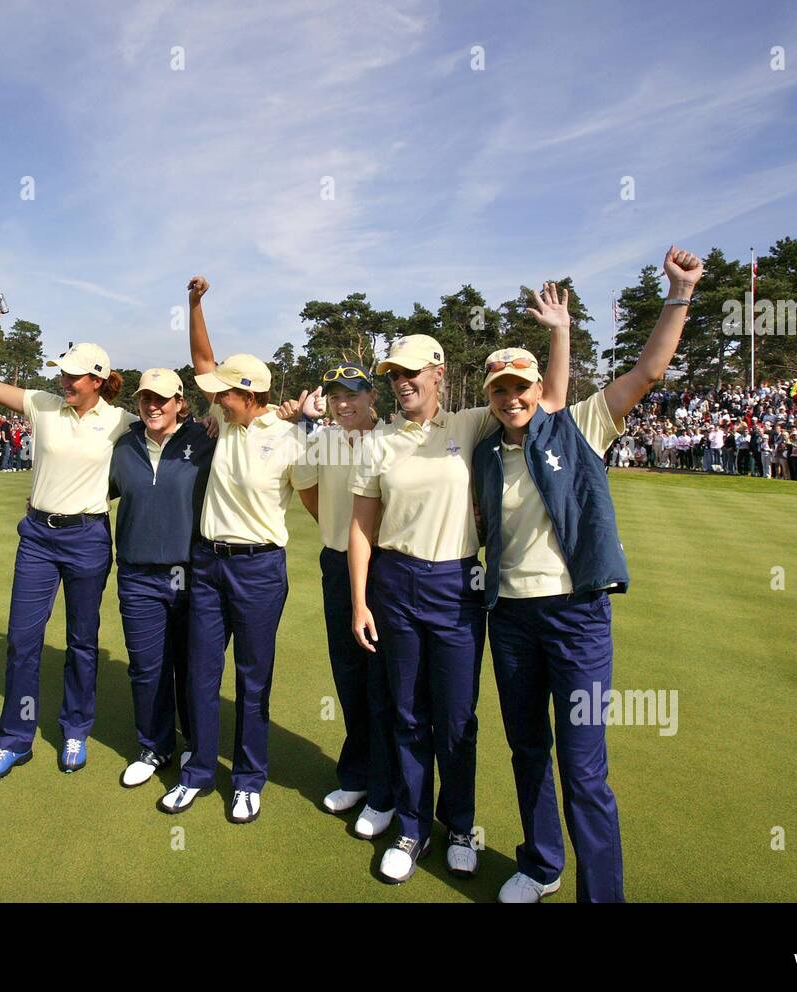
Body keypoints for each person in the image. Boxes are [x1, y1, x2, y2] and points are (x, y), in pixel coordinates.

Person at [474, 246, 703, 904]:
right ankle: (543, 864)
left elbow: (648, 371)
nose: (513, 397)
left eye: (522, 386)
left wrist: (679, 293)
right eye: (501, 390)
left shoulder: (579, 427)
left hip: (575, 622)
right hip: (511, 621)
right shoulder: (488, 456)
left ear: (538, 390)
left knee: (583, 771)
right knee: (526, 751)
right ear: (491, 397)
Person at [346, 283, 569, 885]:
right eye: (394, 375)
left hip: (456, 588)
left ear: (438, 374)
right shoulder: (377, 443)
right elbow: (362, 531)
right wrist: (360, 600)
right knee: (406, 712)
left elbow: (546, 397)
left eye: (412, 373)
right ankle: (414, 826)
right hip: (394, 582)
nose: (402, 383)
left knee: (456, 718)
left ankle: (461, 824)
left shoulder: (471, 423)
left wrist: (557, 332)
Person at [0, 294, 135, 783]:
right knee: (23, 640)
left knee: (82, 641)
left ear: (98, 381)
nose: (62, 380)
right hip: (38, 537)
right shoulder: (42, 404)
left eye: (72, 375)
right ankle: (15, 740)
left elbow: (172, 427)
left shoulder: (121, 421)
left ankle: (75, 729)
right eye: (62, 372)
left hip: (87, 536)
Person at [157, 275, 301, 825]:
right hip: (209, 563)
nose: (213, 395)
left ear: (250, 395)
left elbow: (314, 502)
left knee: (253, 678)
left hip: (261, 568)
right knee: (199, 672)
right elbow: (201, 356)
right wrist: (193, 304)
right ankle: (197, 772)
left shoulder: (290, 439)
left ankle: (248, 779)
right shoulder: (220, 418)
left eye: (225, 392)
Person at [284, 363, 399, 839]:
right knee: (348, 675)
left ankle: (387, 792)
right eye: (335, 395)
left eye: (352, 393)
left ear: (372, 396)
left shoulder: (393, 438)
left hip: (388, 570)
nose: (343, 402)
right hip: (337, 563)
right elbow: (306, 490)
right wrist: (336, 532)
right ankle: (357, 776)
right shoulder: (322, 441)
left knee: (384, 682)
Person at [109, 368, 215, 788]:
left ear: (179, 402)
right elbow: (95, 488)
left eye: (162, 399)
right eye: (146, 399)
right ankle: (155, 745)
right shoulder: (124, 444)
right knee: (146, 666)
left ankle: (193, 741)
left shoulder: (205, 439)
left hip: (190, 572)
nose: (153, 406)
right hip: (137, 574)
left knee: (191, 666)